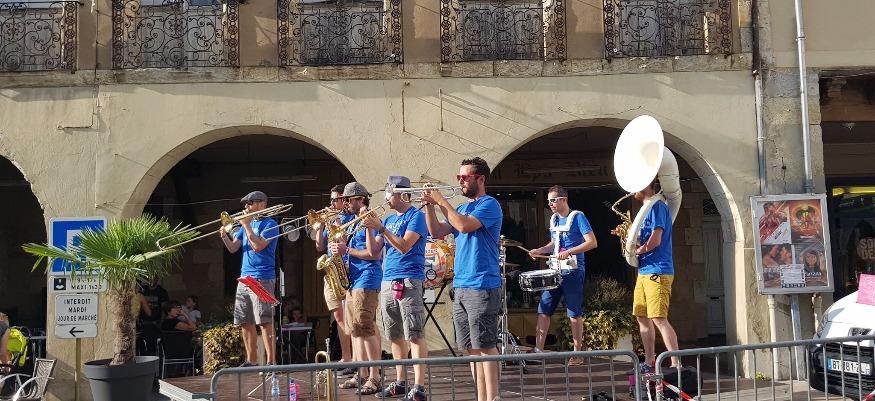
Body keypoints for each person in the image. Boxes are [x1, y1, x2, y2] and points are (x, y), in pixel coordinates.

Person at [422, 157, 503, 401]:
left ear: (481, 179)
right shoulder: (462, 207)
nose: (460, 181)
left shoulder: (489, 204)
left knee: (486, 346)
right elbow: (436, 232)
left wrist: (440, 201)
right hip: (461, 284)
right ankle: (481, 397)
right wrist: (429, 206)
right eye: (459, 177)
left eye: (465, 177)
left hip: (482, 284)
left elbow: (465, 226)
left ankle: (493, 398)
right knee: (470, 348)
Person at [362, 176, 430, 401]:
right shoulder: (389, 219)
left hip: (409, 278)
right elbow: (373, 252)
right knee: (394, 334)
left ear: (404, 195)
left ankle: (419, 387)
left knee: (414, 333)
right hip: (388, 279)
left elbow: (404, 246)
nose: (387, 198)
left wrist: (380, 228)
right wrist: (369, 228)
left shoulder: (416, 216)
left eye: (390, 193)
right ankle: (401, 382)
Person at [612, 182, 680, 369]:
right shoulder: (646, 209)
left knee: (659, 318)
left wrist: (636, 251)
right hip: (645, 271)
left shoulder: (657, 207)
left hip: (658, 271)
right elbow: (644, 238)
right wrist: (625, 236)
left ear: (645, 185)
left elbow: (655, 240)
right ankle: (649, 361)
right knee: (642, 316)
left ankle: (676, 363)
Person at [527, 185, 597, 365]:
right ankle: (538, 350)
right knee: (544, 309)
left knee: (574, 312)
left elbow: (592, 242)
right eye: (549, 201)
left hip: (573, 271)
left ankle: (577, 354)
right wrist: (540, 250)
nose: (550, 204)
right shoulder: (554, 219)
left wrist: (569, 252)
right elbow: (554, 243)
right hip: (555, 270)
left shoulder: (578, 217)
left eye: (553, 200)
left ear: (563, 200)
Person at [330, 182, 384, 395]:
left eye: (348, 200)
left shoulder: (372, 219)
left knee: (364, 325)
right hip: (353, 279)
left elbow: (373, 254)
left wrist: (347, 250)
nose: (344, 204)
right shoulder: (352, 221)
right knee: (354, 328)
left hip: (367, 278)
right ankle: (361, 373)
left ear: (360, 199)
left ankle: (375, 376)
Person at [220, 190, 280, 367]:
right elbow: (233, 248)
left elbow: (258, 246)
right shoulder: (249, 223)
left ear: (261, 204)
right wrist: (224, 236)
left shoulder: (270, 224)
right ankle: (252, 360)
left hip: (262, 277)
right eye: (245, 204)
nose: (246, 207)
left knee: (264, 320)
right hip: (244, 277)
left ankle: (271, 362)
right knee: (244, 320)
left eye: (249, 203)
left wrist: (246, 226)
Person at [314, 184, 355, 375]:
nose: (331, 203)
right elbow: (319, 246)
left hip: (347, 270)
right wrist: (320, 225)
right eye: (330, 200)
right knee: (338, 316)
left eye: (334, 200)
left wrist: (336, 221)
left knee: (350, 316)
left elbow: (345, 240)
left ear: (344, 200)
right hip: (332, 271)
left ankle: (356, 358)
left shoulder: (350, 218)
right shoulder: (330, 219)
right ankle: (346, 356)